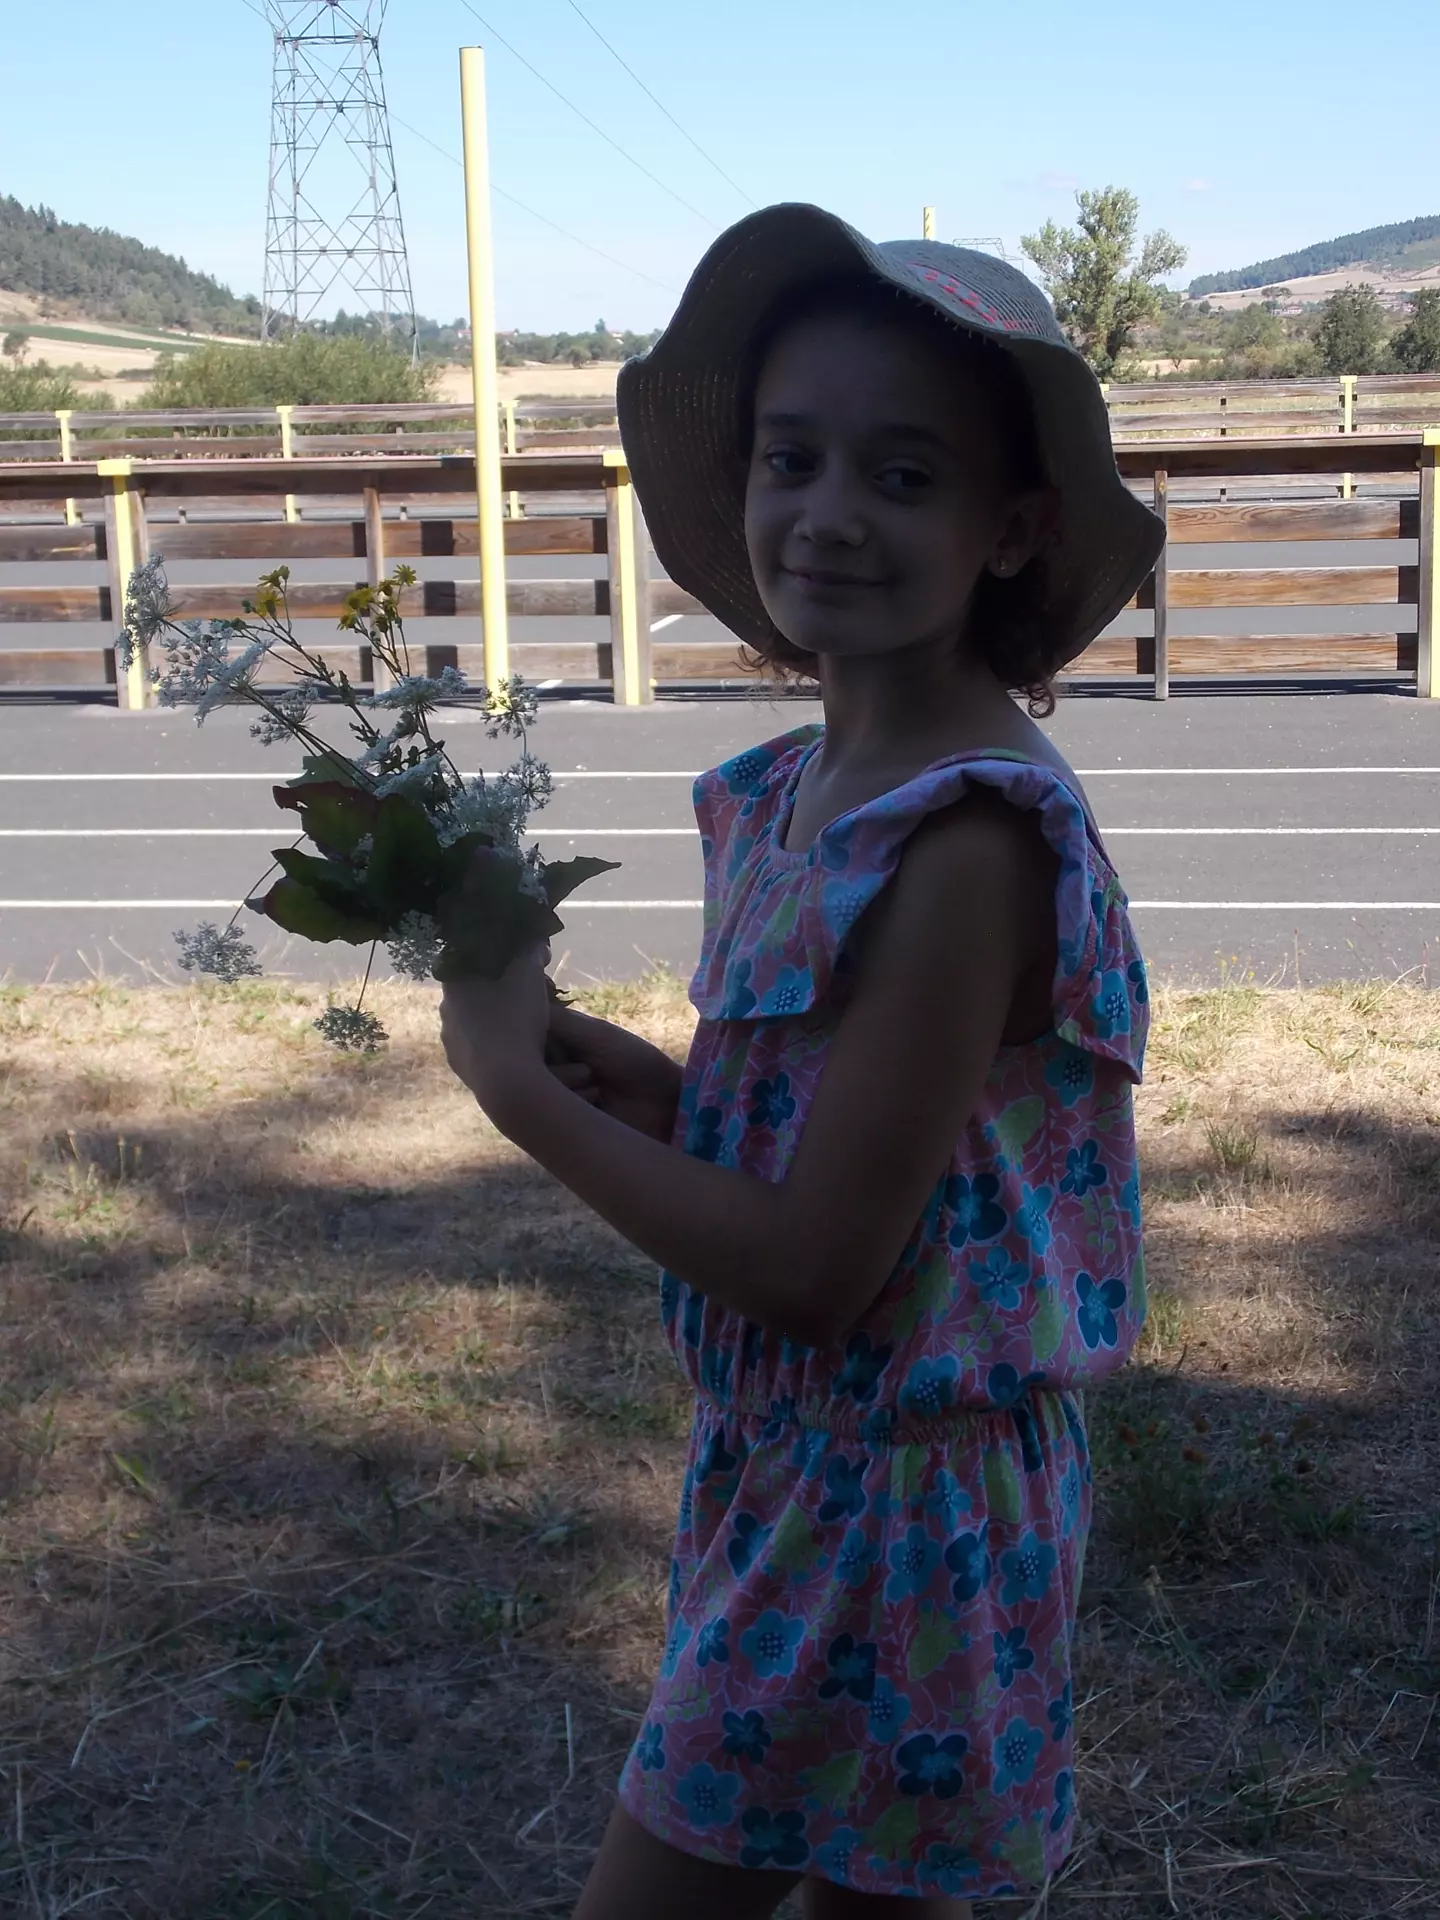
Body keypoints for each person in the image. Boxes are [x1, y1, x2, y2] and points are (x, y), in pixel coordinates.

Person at [440, 204, 1163, 1919]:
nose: (829, 514)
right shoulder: (798, 785)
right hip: (805, 1473)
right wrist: (661, 1093)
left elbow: (818, 1270)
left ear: (1015, 529)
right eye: (792, 457)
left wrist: (521, 1095)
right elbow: (872, 1173)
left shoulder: (966, 842)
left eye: (905, 477)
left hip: (899, 1515)